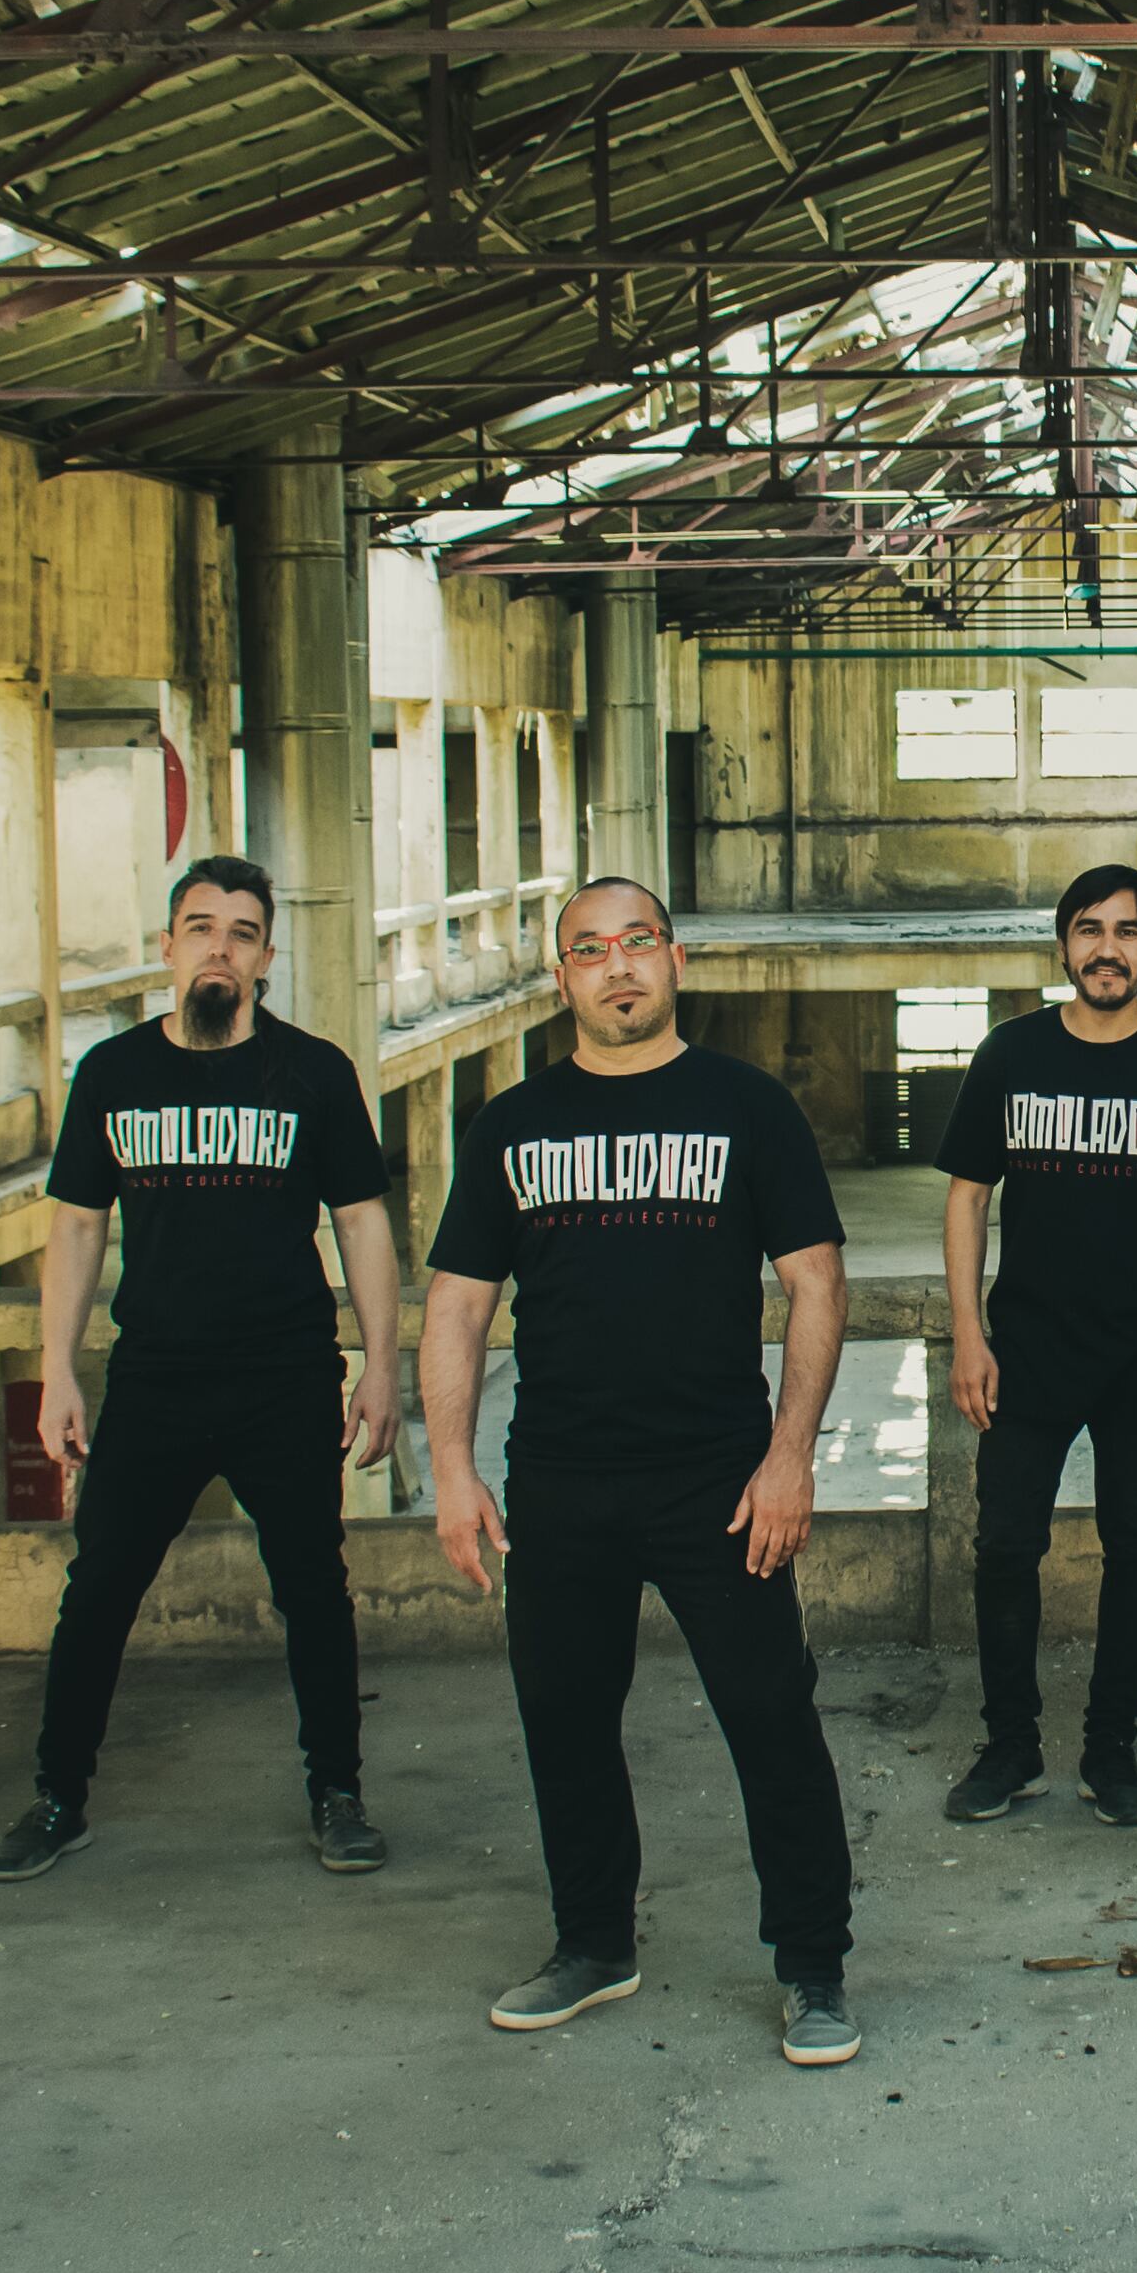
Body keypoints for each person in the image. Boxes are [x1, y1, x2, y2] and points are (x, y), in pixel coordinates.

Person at [424, 878, 865, 2070]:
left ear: (674, 959)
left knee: (769, 1717)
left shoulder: (745, 1108)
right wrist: (452, 1468)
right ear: (557, 977)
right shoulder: (511, 1126)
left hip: (714, 1474)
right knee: (563, 1719)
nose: (615, 967)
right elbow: (459, 1307)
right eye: (587, 951)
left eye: (635, 944)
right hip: (559, 1478)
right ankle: (592, 1943)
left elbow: (814, 1284)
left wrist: (788, 1458)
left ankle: (813, 1964)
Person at [0, 855, 401, 1886]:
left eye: (242, 930)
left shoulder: (312, 1072)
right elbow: (76, 1226)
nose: (220, 945)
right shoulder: (115, 1074)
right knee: (100, 1590)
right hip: (155, 1376)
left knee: (312, 1585)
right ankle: (57, 1796)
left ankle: (335, 1792)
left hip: (284, 1374)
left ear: (264, 956)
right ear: (167, 945)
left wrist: (380, 1365)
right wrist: (59, 1371)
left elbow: (361, 1222)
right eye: (201, 926)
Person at [935, 864, 1137, 1829]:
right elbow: (967, 1197)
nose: (1107, 948)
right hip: (1026, 1352)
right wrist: (968, 1335)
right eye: (1089, 930)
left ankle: (1111, 1748)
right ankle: (1010, 1747)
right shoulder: (1011, 1054)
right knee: (1004, 1546)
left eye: (1127, 931)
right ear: (1064, 945)